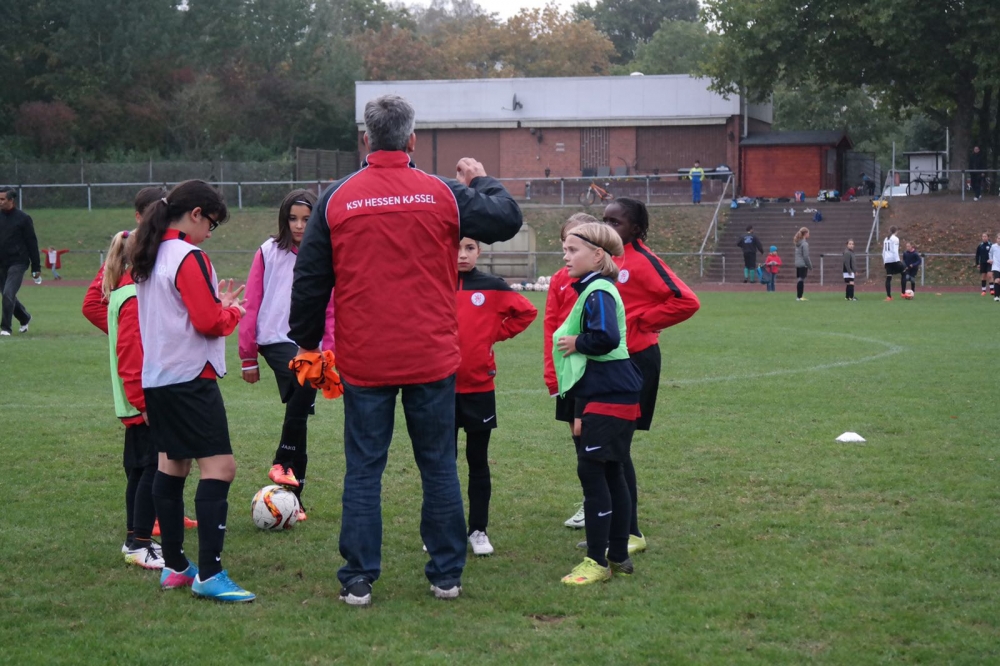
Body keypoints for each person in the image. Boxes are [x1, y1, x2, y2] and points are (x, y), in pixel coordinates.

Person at [288, 94, 522, 607]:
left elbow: (309, 280)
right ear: (413, 139)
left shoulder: (337, 198)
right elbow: (506, 218)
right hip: (430, 356)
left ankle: (358, 577)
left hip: (366, 357)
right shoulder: (442, 193)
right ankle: (446, 574)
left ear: (366, 139)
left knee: (364, 467)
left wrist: (306, 343)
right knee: (438, 465)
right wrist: (481, 180)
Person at [131, 179, 254, 603]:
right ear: (196, 214)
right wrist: (232, 311)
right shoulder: (188, 255)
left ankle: (176, 567)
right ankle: (210, 574)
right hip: (189, 379)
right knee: (220, 468)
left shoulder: (150, 252)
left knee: (172, 466)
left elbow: (180, 313)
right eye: (211, 224)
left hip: (159, 378)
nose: (210, 234)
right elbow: (207, 322)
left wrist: (217, 306)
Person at [81, 187, 198, 536]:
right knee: (152, 464)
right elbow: (94, 306)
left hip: (146, 386)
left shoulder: (148, 264)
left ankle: (148, 526)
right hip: (145, 389)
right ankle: (142, 534)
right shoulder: (134, 275)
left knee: (148, 462)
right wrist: (130, 335)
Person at [600, 198, 700, 553]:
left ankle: (630, 533)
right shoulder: (607, 259)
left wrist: (641, 321)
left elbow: (686, 300)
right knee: (609, 447)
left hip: (636, 360)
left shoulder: (643, 260)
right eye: (605, 219)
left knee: (618, 447)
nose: (608, 227)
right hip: (610, 359)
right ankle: (615, 528)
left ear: (637, 229)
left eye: (616, 222)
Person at [554, 221, 643, 585]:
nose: (565, 256)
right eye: (565, 249)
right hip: (609, 392)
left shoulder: (599, 290)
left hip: (611, 393)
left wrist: (577, 342)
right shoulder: (593, 288)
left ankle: (597, 561)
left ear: (597, 255)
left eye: (573, 250)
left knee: (594, 473)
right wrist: (579, 410)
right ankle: (618, 555)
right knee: (611, 471)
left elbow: (605, 338)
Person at [239, 189, 335, 520]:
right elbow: (251, 303)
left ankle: (294, 498)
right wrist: (248, 356)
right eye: (293, 218)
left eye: (306, 219)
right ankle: (282, 460)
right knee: (304, 382)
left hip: (311, 344)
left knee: (301, 406)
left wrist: (330, 352)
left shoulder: (325, 254)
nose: (299, 225)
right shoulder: (268, 251)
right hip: (275, 340)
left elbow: (332, 308)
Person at [455, 237, 537, 556]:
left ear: (479, 251)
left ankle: (478, 530)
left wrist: (493, 334)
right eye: (456, 247)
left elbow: (526, 312)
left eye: (469, 248)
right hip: (438, 389)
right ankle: (443, 528)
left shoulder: (491, 285)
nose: (462, 254)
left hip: (479, 388)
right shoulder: (433, 282)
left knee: (477, 460)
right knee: (441, 464)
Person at [102, 229, 163, 570]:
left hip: (135, 401)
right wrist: (143, 401)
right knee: (152, 468)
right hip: (142, 402)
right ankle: (139, 543)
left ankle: (135, 540)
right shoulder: (133, 297)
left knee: (140, 469)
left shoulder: (125, 290)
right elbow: (130, 353)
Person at [0, 187, 40, 336]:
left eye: (2, 199)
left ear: (11, 200)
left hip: (18, 262)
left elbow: (32, 243)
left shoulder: (23, 219)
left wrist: (36, 267)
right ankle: (24, 317)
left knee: (8, 293)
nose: (0, 202)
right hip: (1, 263)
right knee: (7, 295)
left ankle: (5, 328)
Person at [882, 225, 904, 301]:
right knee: (904, 272)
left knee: (889, 278)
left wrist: (884, 261)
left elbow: (883, 252)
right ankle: (903, 293)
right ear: (896, 231)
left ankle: (889, 296)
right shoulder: (895, 239)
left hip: (887, 260)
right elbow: (895, 251)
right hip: (893, 260)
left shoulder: (886, 239)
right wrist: (898, 261)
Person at [793, 227, 812, 301]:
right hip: (802, 264)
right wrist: (810, 266)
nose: (809, 235)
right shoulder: (804, 244)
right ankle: (799, 297)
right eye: (808, 233)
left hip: (797, 263)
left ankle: (799, 296)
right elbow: (806, 256)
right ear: (805, 234)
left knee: (799, 279)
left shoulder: (798, 243)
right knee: (801, 279)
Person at [989, 234, 1000, 302]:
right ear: (996, 239)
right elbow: (990, 253)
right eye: (999, 238)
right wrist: (991, 259)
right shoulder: (993, 246)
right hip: (996, 266)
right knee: (997, 280)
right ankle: (996, 296)